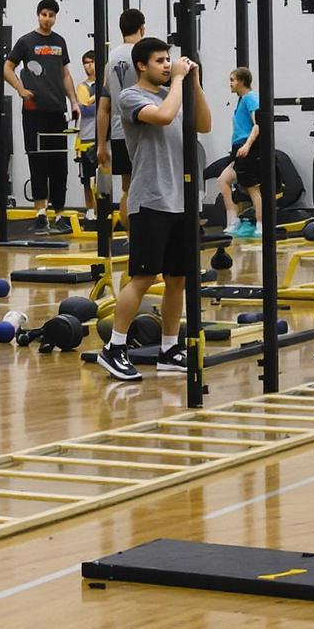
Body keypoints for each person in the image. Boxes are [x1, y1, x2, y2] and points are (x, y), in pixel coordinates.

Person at [98, 40, 213, 382]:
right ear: (141, 66)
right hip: (150, 199)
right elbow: (163, 118)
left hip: (181, 201)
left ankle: (169, 348)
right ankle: (114, 348)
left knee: (178, 278)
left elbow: (203, 124)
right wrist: (178, 80)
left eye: (169, 61)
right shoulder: (132, 97)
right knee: (144, 277)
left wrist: (193, 82)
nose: (167, 65)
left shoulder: (174, 94)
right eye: (160, 61)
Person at [3, 0, 74, 217]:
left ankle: (59, 214)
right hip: (34, 111)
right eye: (44, 14)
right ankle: (40, 214)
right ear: (38, 15)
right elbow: (7, 68)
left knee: (59, 164)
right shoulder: (26, 41)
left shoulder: (60, 42)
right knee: (37, 161)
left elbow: (65, 74)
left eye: (51, 15)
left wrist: (74, 101)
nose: (47, 18)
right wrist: (20, 89)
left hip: (56, 111)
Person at [99, 8, 146, 210]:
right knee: (146, 186)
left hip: (119, 131)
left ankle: (131, 239)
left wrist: (101, 143)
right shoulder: (145, 54)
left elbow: (104, 106)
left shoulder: (111, 59)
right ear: (142, 29)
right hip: (145, 130)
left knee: (128, 188)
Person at [209, 67, 263, 239]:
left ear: (241, 81)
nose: (230, 84)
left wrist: (247, 145)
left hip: (248, 148)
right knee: (223, 180)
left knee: (252, 187)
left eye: (232, 80)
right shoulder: (242, 100)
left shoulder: (251, 98)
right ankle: (233, 221)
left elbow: (257, 125)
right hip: (238, 147)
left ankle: (261, 225)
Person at [75, 51, 101, 212]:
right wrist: (98, 100)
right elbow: (84, 110)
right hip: (85, 140)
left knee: (102, 179)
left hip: (103, 139)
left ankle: (101, 210)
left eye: (91, 62)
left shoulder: (106, 84)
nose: (88, 66)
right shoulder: (82, 87)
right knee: (87, 179)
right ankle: (90, 210)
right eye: (85, 62)